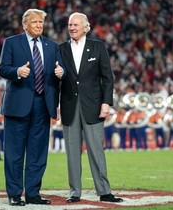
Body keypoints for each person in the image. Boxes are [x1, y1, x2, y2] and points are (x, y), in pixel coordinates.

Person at [0, 9, 64, 206]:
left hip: (43, 104)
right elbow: (2, 69)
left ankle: (33, 193)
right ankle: (15, 194)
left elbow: (60, 70)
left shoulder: (51, 46)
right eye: (34, 22)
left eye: (41, 22)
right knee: (15, 153)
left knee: (38, 153)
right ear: (24, 24)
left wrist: (62, 72)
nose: (38, 25)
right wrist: (17, 71)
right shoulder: (11, 42)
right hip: (18, 104)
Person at [59, 12, 123, 203]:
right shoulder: (60, 49)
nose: (72, 27)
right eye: (70, 24)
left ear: (86, 27)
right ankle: (74, 192)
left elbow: (107, 77)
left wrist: (106, 102)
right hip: (69, 105)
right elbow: (54, 79)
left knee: (96, 150)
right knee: (72, 152)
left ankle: (104, 191)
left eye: (76, 24)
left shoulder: (98, 47)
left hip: (94, 106)